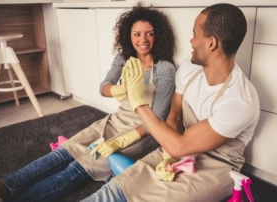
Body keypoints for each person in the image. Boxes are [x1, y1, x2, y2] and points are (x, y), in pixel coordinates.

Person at [0, 3, 177, 202]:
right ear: (129, 35)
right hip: (114, 121)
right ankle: (0, 187)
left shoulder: (164, 69)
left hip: (139, 133)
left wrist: (118, 142)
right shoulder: (124, 58)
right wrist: (119, 89)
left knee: (80, 167)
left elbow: (156, 120)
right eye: (137, 34)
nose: (143, 39)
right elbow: (104, 86)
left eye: (149, 33)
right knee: (66, 151)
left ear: (157, 35)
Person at [81, 3, 260, 202]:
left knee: (149, 197)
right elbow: (174, 117)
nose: (190, 41)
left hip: (215, 165)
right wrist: (166, 154)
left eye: (194, 34)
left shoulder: (240, 100)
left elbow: (180, 145)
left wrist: (138, 102)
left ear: (211, 43)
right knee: (116, 189)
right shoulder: (189, 70)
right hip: (177, 147)